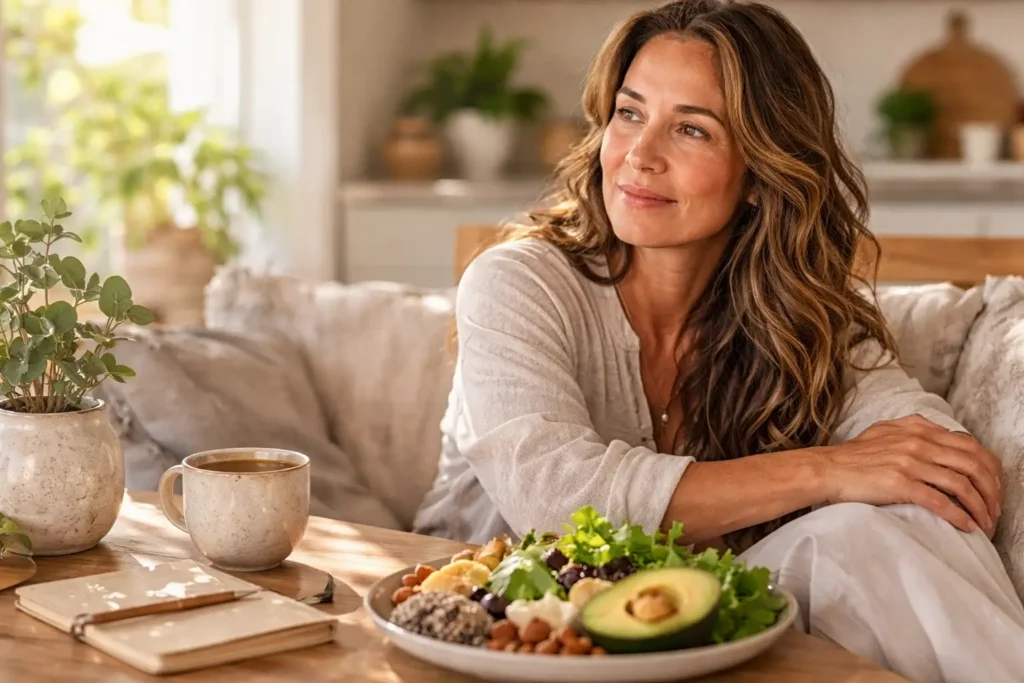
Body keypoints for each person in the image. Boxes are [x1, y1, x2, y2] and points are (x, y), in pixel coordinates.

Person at [412, 1, 1024, 680]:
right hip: (496, 638)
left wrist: (906, 466)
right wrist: (829, 468)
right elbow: (560, 504)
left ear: (760, 173)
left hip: (686, 641)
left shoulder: (798, 315)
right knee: (858, 534)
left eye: (691, 129)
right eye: (629, 113)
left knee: (903, 517)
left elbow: (926, 450)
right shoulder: (519, 282)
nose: (639, 155)